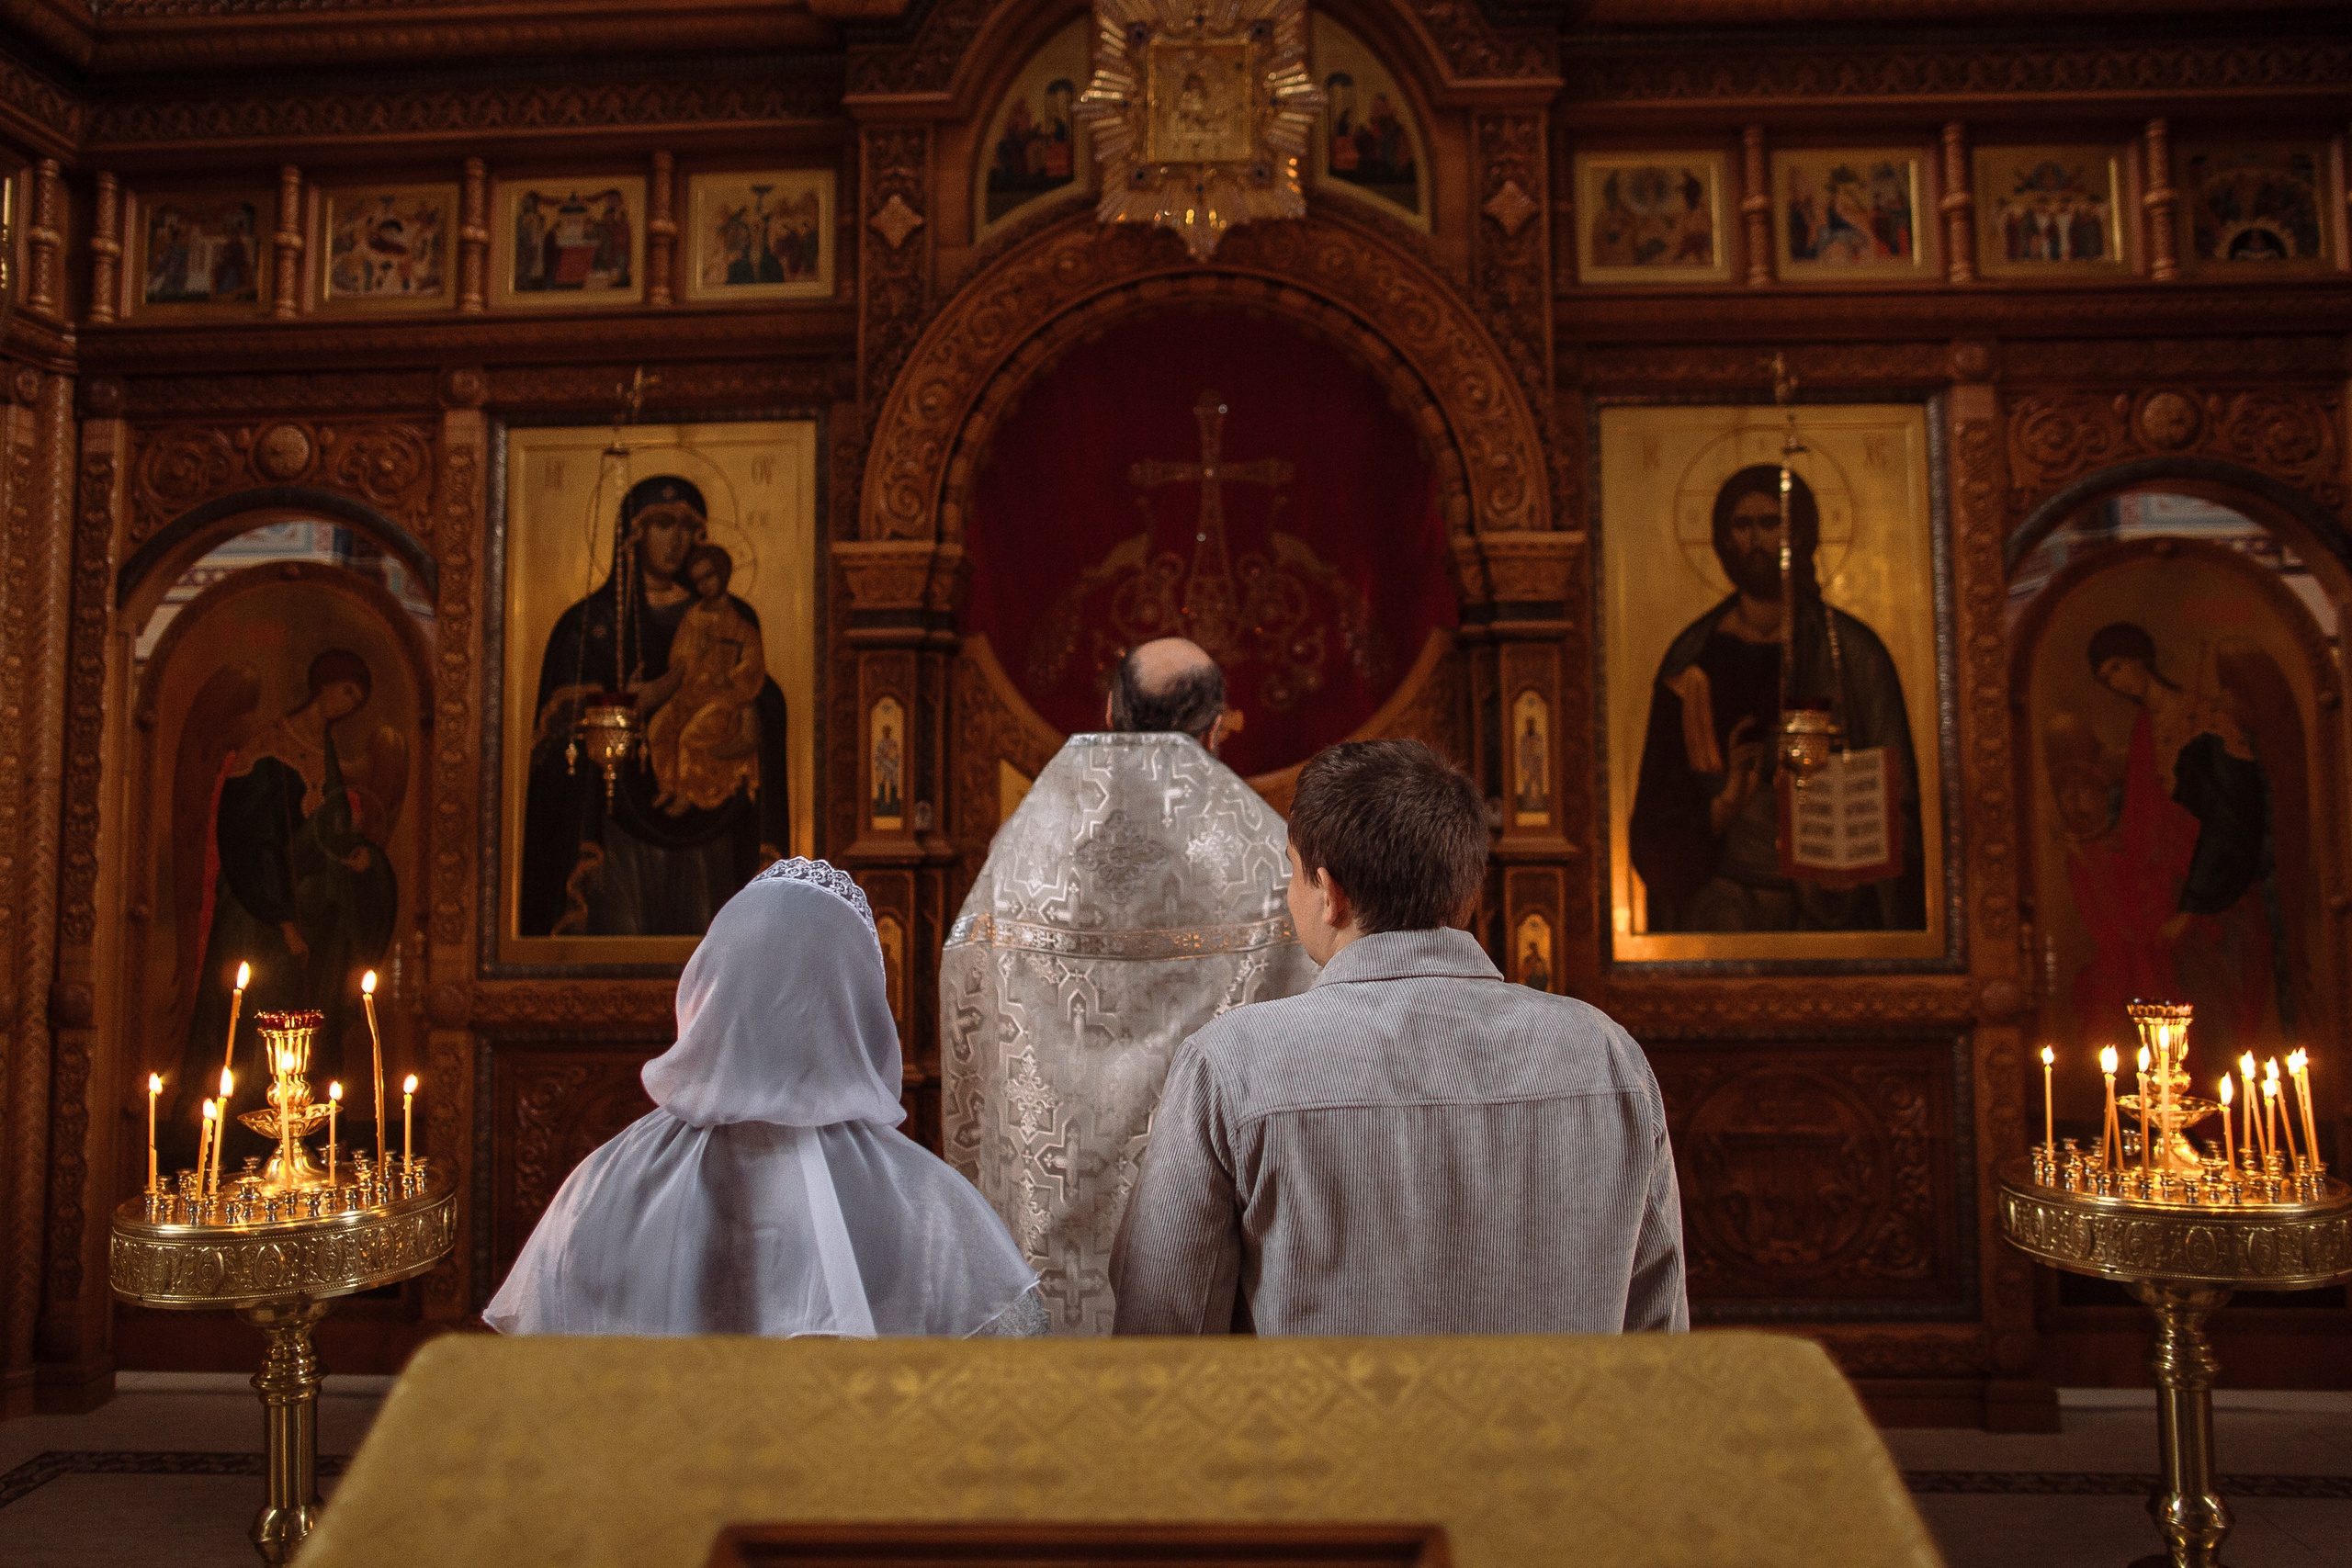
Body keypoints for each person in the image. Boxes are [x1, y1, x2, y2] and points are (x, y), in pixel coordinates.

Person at [1111, 739, 1687, 1337]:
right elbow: (1660, 1340)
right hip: (1567, 1432)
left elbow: (1161, 1335)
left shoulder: (1231, 1065)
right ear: (1467, 890)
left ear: (1329, 893)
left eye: (1291, 870)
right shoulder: (1606, 1055)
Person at [485, 859, 1045, 1338]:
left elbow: (542, 1372)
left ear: (711, 985)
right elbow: (1014, 1378)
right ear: (854, 1002)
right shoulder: (928, 1202)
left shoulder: (599, 1184)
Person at [940, 637, 1316, 1334]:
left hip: (1050, 1186)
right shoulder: (1262, 852)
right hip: (1196, 1224)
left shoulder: (1028, 843)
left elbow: (969, 980)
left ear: (1110, 710)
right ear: (1217, 728)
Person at [1628, 465, 1923, 933]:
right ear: (1723, 539)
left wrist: (1852, 839)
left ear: (1799, 533)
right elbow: (1657, 812)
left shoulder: (1853, 654)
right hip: (1720, 906)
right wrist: (1722, 808)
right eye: (1742, 526)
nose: (1756, 539)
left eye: (1771, 523)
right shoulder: (1691, 659)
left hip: (1834, 908)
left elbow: (1899, 799)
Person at [518, 475, 790, 937]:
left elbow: (761, 687)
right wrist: (605, 705)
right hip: (615, 819)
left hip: (709, 809)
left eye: (689, 528)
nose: (677, 539)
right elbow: (554, 734)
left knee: (708, 932)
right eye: (663, 523)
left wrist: (750, 707)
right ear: (634, 534)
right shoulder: (590, 624)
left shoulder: (729, 615)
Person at [641, 544, 764, 815]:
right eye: (698, 581)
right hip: (691, 694)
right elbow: (678, 661)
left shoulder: (740, 622)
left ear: (723, 574)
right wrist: (693, 655)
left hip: (726, 700)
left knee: (689, 736)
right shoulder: (693, 617)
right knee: (659, 727)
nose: (705, 585)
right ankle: (668, 786)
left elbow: (754, 665)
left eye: (709, 576)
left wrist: (728, 676)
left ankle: (687, 793)